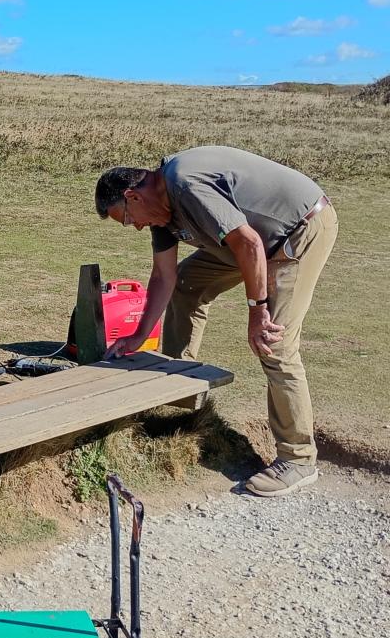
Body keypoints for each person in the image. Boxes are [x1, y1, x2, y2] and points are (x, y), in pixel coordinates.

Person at [94, 146, 338, 498]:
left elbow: (249, 244)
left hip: (297, 232)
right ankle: (179, 398)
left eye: (129, 219)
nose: (137, 226)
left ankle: (298, 459)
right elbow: (164, 276)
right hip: (250, 242)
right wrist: (139, 335)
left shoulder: (184, 184)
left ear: (133, 196)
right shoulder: (161, 212)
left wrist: (258, 310)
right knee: (185, 285)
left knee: (274, 341)